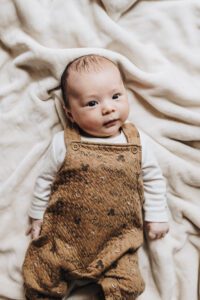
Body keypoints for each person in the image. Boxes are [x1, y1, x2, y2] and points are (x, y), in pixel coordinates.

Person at [22, 54, 169, 300]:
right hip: (63, 238)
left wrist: (157, 215)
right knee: (40, 274)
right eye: (92, 103)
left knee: (128, 285)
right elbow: (44, 181)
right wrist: (37, 216)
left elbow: (153, 179)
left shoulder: (136, 140)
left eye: (116, 96)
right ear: (70, 114)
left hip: (118, 243)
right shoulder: (64, 143)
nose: (108, 108)